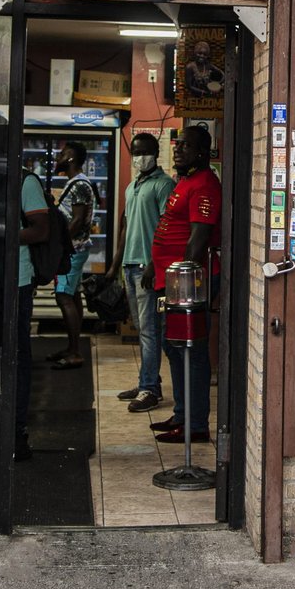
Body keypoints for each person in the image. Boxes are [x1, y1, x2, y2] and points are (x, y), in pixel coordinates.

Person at [148, 124, 221, 444]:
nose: (178, 150)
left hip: (188, 282)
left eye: (186, 146)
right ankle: (181, 415)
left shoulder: (204, 184)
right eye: (177, 145)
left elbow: (198, 239)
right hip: (169, 279)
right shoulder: (185, 181)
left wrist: (182, 284)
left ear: (202, 153)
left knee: (190, 351)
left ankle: (195, 424)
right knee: (174, 347)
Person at [108, 131, 174, 413]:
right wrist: (115, 264)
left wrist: (154, 265)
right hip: (129, 266)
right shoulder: (132, 186)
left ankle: (150, 390)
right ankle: (148, 381)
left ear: (156, 154)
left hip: (148, 269)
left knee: (150, 331)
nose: (140, 157)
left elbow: (167, 228)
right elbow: (126, 227)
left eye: (145, 152)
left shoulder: (164, 184)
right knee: (141, 328)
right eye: (136, 152)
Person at [13, 151, 52, 462]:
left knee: (17, 355)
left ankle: (17, 430)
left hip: (18, 281)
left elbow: (41, 229)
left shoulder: (25, 181)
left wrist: (0, 235)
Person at [49, 140, 95, 371]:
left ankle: (75, 353)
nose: (58, 157)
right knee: (73, 295)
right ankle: (72, 347)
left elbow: (77, 221)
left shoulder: (79, 185)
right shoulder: (76, 183)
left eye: (62, 153)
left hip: (73, 250)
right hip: (75, 248)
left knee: (63, 296)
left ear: (71, 158)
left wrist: (60, 245)